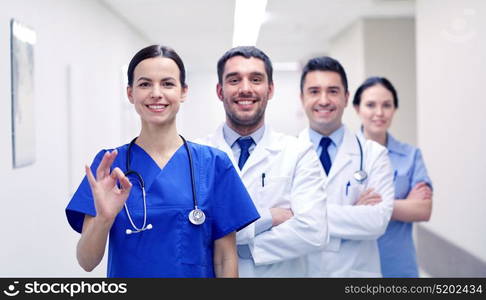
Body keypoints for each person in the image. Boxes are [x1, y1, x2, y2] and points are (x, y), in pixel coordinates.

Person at [65, 45, 260, 278]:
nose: (156, 93)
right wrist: (104, 220)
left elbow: (225, 259)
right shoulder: (110, 166)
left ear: (183, 91)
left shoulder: (214, 165)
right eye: (145, 84)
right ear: (130, 93)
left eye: (167, 83)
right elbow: (86, 261)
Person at [197, 46, 328, 277]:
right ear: (220, 91)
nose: (245, 89)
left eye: (256, 79)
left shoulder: (298, 152)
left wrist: (238, 244)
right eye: (234, 80)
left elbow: (314, 231)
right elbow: (194, 231)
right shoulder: (196, 155)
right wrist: (269, 218)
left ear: (270, 89)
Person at [298, 56, 395, 277]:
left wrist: (301, 213)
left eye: (333, 91)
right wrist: (354, 213)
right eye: (314, 91)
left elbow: (376, 222)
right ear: (302, 98)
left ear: (346, 98)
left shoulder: (373, 155)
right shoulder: (285, 154)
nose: (324, 100)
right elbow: (276, 222)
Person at [353, 76, 433, 277]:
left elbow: (423, 209)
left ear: (394, 109)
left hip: (398, 265)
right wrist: (402, 205)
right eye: (370, 105)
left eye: (386, 105)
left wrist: (369, 207)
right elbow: (334, 210)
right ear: (357, 108)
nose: (379, 113)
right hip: (354, 265)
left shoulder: (411, 155)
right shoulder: (344, 154)